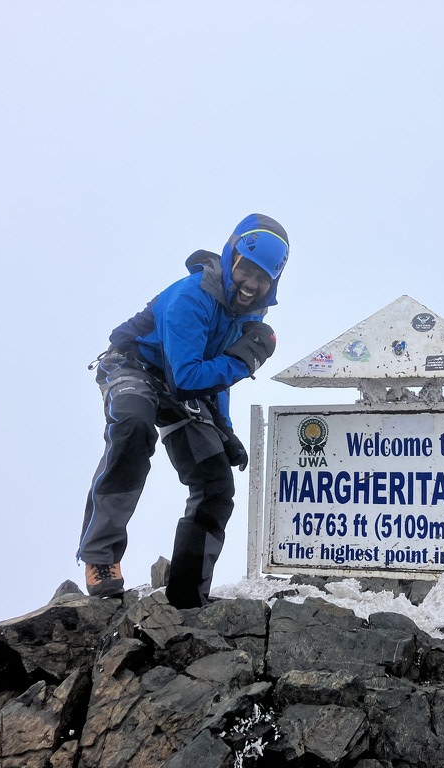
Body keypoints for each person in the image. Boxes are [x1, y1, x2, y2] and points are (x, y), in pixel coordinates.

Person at [76, 213, 289, 606]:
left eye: (263, 279)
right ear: (232, 259)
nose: (252, 285)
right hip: (134, 366)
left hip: (181, 385)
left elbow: (213, 380)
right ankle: (100, 556)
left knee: (216, 482)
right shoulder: (192, 296)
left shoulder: (249, 314)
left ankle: (187, 595)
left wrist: (223, 430)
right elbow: (191, 379)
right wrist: (243, 362)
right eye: (248, 271)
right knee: (134, 426)